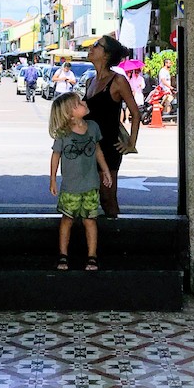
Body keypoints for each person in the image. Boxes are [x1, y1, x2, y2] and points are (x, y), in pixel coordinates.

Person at [48, 91, 112, 272]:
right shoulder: (63, 133)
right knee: (67, 219)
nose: (83, 103)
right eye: (78, 103)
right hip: (70, 186)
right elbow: (56, 155)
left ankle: (92, 256)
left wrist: (105, 170)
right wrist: (53, 179)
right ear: (69, 113)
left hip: (91, 184)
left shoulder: (92, 127)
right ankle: (63, 255)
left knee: (90, 220)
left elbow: (98, 150)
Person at [85, 36, 140, 218]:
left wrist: (131, 143)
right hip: (89, 146)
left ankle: (117, 236)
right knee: (95, 196)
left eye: (96, 46)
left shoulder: (117, 81)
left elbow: (135, 113)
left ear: (106, 55)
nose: (91, 48)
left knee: (108, 197)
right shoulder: (90, 81)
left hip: (109, 146)